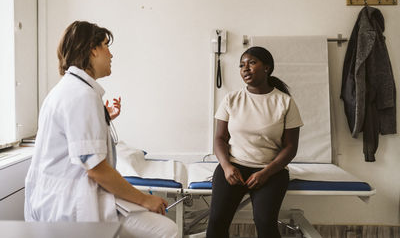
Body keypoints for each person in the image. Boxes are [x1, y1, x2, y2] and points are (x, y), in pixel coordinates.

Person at [24, 21, 178, 238]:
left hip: (58, 199)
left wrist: (103, 118)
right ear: (92, 49)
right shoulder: (81, 96)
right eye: (106, 45)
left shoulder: (70, 90)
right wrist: (146, 199)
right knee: (167, 230)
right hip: (70, 206)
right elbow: (96, 169)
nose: (111, 54)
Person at [206, 46, 303, 238]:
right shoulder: (231, 99)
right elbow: (219, 138)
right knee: (216, 222)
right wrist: (226, 166)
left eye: (251, 63)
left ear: (267, 67)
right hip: (233, 169)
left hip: (271, 171)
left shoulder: (284, 102)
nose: (245, 69)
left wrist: (266, 172)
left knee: (265, 223)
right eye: (241, 65)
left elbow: (291, 147)